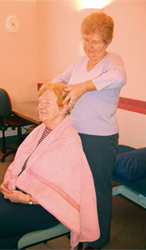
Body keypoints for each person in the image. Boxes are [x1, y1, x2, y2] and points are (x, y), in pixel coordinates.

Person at [0, 83, 100, 250]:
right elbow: (22, 164)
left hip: (46, 208)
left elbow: (60, 194)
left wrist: (25, 199)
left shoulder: (67, 142)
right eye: (40, 102)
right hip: (24, 191)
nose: (41, 107)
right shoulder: (41, 130)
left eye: (47, 102)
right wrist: (9, 182)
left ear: (63, 108)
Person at [52, 12, 126, 250]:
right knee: (76, 186)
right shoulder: (79, 63)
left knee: (97, 190)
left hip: (100, 139)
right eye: (86, 39)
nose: (89, 46)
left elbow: (119, 77)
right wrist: (54, 89)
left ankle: (98, 239)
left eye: (95, 41)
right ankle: (80, 228)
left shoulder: (112, 61)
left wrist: (83, 87)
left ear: (107, 42)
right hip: (74, 134)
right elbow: (58, 79)